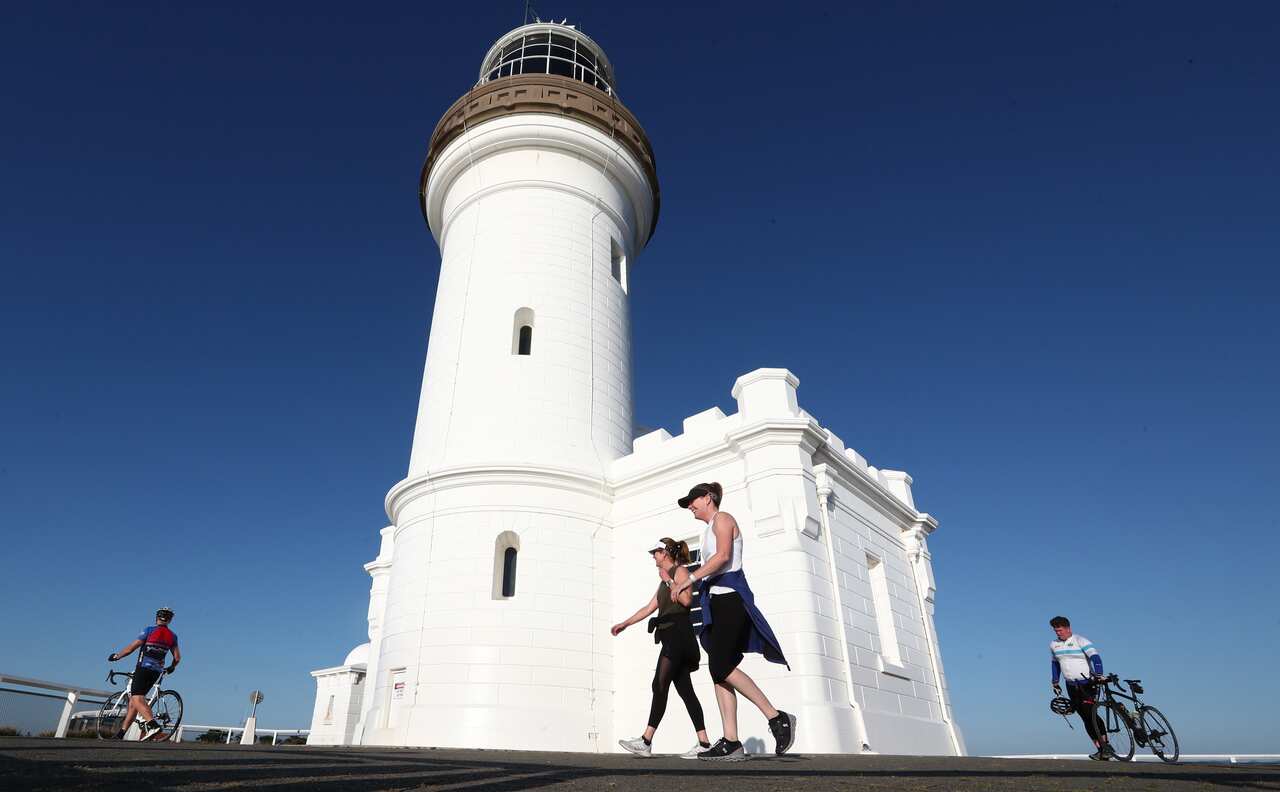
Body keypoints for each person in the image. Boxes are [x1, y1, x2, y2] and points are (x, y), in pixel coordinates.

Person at [670, 483, 795, 761]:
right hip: (715, 603)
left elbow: (724, 556)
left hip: (730, 601)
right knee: (718, 669)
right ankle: (731, 741)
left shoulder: (723, 518)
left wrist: (689, 579)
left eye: (693, 500)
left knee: (720, 665)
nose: (690, 506)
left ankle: (777, 717)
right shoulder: (707, 530)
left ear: (708, 498)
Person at [611, 538, 712, 758]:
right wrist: (625, 624)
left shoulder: (680, 573)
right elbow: (649, 608)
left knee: (659, 684)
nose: (653, 557)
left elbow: (686, 600)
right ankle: (704, 743)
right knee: (686, 691)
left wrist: (668, 580)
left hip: (678, 635)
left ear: (664, 553)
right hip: (672, 637)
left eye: (655, 553)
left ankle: (646, 740)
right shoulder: (663, 581)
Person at [108, 607, 181, 741]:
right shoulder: (173, 636)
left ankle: (153, 725)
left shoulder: (149, 630)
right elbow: (177, 658)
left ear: (156, 618)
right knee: (135, 703)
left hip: (143, 668)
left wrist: (117, 656)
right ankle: (121, 734)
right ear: (170, 620)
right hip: (156, 671)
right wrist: (171, 668)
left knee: (136, 697)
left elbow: (131, 648)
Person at [1049, 615, 1112, 760]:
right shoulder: (1054, 645)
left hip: (1087, 684)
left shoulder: (1080, 640)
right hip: (1071, 685)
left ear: (1068, 628)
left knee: (1091, 714)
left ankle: (1106, 746)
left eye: (1060, 630)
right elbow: (1055, 663)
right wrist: (1055, 681)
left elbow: (1095, 658)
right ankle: (1100, 749)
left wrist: (1098, 674)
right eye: (1056, 631)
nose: (1058, 633)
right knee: (1084, 718)